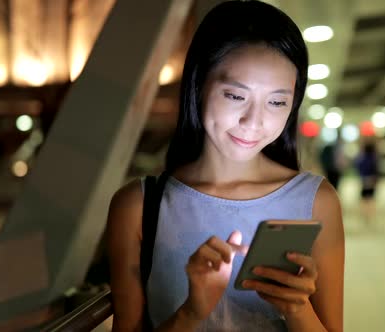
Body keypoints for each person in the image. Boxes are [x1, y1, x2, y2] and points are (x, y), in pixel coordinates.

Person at [106, 1, 345, 331]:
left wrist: (297, 309)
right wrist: (191, 313)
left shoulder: (317, 200)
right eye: (235, 96)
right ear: (198, 85)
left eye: (277, 102)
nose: (253, 121)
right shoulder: (139, 205)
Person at [354, 140, 380, 224]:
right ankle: (370, 213)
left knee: (364, 198)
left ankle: (365, 213)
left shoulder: (362, 158)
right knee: (371, 198)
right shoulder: (374, 159)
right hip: (372, 179)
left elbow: (358, 166)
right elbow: (377, 170)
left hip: (364, 179)